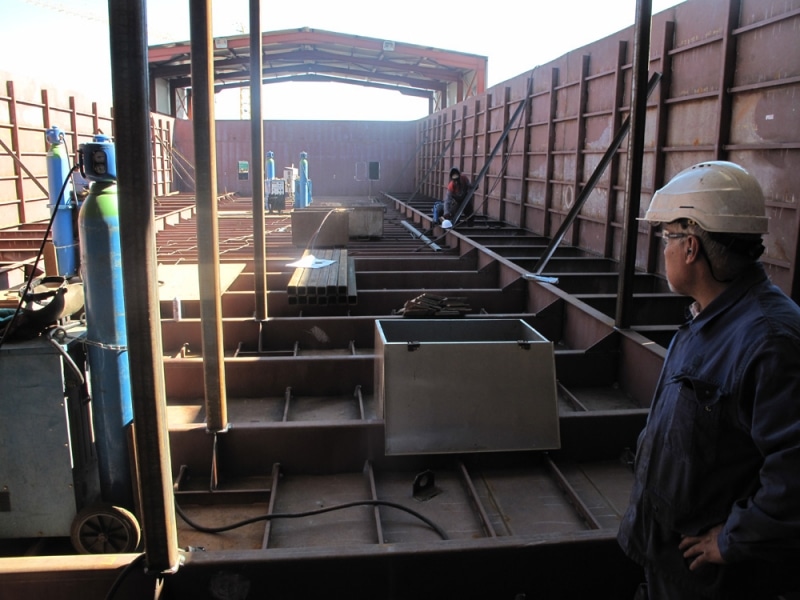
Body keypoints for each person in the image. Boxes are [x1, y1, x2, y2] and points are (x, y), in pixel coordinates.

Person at [617, 161, 800, 600]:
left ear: (692, 247)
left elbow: (794, 470)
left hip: (713, 580)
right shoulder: (711, 317)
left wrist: (735, 538)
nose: (664, 249)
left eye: (667, 238)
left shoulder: (769, 340)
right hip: (668, 557)